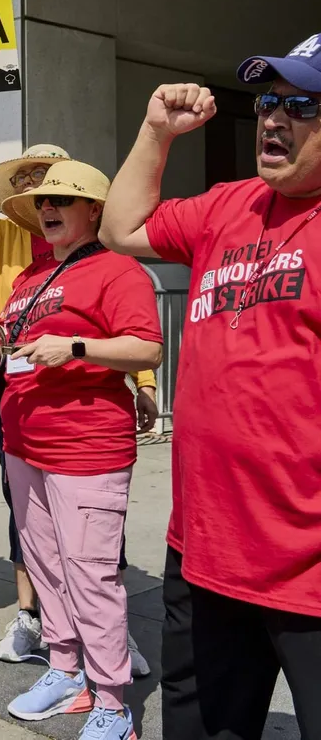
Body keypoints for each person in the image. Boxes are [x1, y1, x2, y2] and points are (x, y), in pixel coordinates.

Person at [101, 44, 321, 740]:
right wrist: (155, 132)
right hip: (203, 555)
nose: (275, 119)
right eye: (268, 103)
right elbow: (121, 228)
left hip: (307, 573)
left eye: (303, 105)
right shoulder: (229, 204)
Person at [0, 137, 156, 672]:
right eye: (34, 187)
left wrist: (137, 376)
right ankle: (47, 636)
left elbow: (136, 337)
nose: (44, 197)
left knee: (92, 548)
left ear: (85, 197)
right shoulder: (13, 249)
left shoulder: (112, 265)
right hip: (19, 409)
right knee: (34, 535)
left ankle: (108, 652)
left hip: (82, 426)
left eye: (55, 185)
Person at [0, 161, 163, 739]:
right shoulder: (29, 278)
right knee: (44, 566)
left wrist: (76, 346)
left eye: (63, 199)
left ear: (94, 210)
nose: (48, 208)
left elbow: (146, 349)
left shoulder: (119, 270)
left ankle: (113, 704)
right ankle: (66, 669)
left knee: (91, 576)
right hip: (23, 442)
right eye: (43, 201)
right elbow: (14, 348)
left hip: (86, 445)